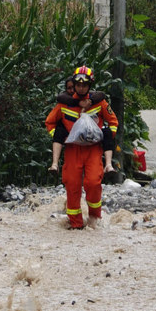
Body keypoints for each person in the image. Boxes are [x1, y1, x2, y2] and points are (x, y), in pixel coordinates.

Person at [44, 65, 118, 230]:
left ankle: (94, 218)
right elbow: (49, 122)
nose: (81, 87)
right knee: (72, 184)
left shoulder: (99, 102)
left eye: (85, 85)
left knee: (93, 182)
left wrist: (106, 137)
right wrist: (60, 137)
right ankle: (75, 224)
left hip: (93, 149)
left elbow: (113, 121)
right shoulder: (65, 103)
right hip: (72, 150)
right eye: (79, 84)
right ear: (74, 84)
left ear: (90, 85)